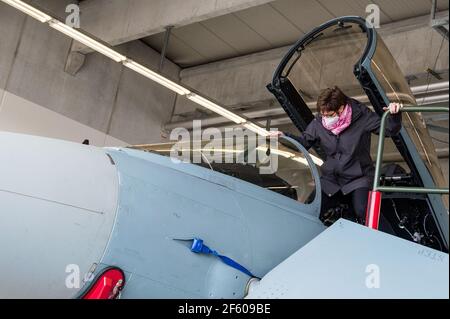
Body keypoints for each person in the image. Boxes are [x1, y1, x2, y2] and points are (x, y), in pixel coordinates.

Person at [271, 86, 403, 224]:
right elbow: (304, 142)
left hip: (359, 176)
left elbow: (388, 129)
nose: (325, 119)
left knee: (363, 210)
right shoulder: (319, 122)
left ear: (341, 108)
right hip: (332, 177)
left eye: (329, 115)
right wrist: (284, 136)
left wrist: (394, 115)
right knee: (311, 209)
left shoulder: (362, 116)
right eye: (322, 115)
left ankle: (386, 238)